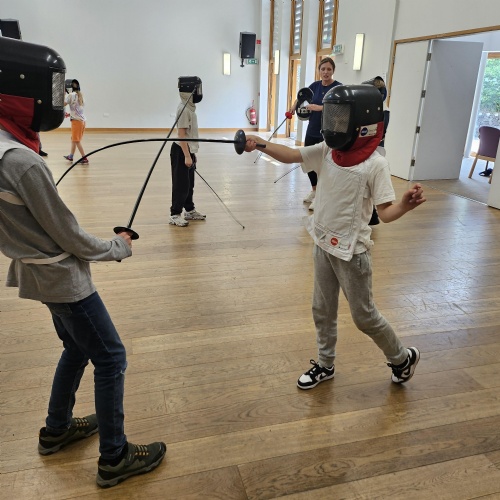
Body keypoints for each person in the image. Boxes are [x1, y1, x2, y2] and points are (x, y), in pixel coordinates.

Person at [0, 36, 166, 488]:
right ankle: (115, 457)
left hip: (35, 274)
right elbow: (69, 235)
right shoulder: (22, 164)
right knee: (111, 357)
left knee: (76, 348)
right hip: (60, 278)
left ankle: (57, 429)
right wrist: (117, 247)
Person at [244, 84, 425, 390]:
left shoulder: (375, 164)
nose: (334, 124)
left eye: (341, 117)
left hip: (353, 253)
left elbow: (384, 213)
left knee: (364, 317)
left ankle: (402, 357)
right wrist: (260, 144)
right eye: (333, 116)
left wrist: (405, 206)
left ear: (362, 121)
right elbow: (291, 155)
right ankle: (325, 364)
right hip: (322, 244)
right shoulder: (328, 151)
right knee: (322, 310)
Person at [296, 57, 342, 211]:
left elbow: (341, 108)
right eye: (323, 69)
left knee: (324, 165)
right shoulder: (314, 86)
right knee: (308, 161)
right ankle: (315, 190)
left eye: (329, 69)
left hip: (329, 131)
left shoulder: (338, 88)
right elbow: (301, 98)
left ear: (333, 71)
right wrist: (293, 108)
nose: (326, 72)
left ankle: (321, 196)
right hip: (312, 129)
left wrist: (320, 108)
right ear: (319, 71)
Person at [169, 77, 206, 227]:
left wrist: (192, 153)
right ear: (189, 90)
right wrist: (186, 155)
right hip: (180, 150)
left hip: (187, 150)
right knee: (181, 185)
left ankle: (189, 210)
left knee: (189, 184)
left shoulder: (189, 107)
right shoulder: (183, 109)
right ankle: (175, 214)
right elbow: (182, 135)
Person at [364, 76, 390, 226]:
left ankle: (372, 213)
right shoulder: (370, 109)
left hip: (375, 149)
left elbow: (378, 133)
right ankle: (371, 214)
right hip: (370, 148)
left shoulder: (383, 111)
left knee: (371, 182)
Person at [63, 79, 89, 165]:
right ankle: (71, 156)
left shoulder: (71, 95)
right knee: (74, 139)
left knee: (76, 140)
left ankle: (84, 158)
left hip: (76, 122)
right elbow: (77, 109)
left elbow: (63, 104)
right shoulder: (80, 95)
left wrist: (62, 94)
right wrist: (69, 114)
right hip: (82, 121)